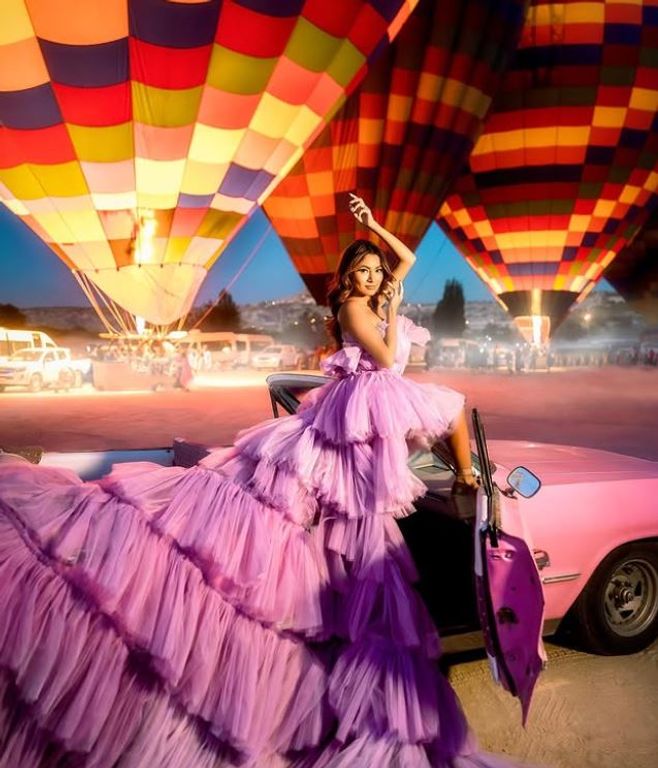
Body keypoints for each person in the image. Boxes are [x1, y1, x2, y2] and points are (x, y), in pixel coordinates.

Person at [0, 196, 528, 768]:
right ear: (348, 277)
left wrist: (375, 229)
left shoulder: (378, 288)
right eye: (364, 269)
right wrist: (391, 304)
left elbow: (400, 262)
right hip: (365, 401)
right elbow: (380, 355)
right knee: (336, 494)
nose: (375, 276)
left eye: (377, 271)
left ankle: (467, 474)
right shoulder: (357, 308)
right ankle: (453, 487)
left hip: (373, 414)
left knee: (442, 415)